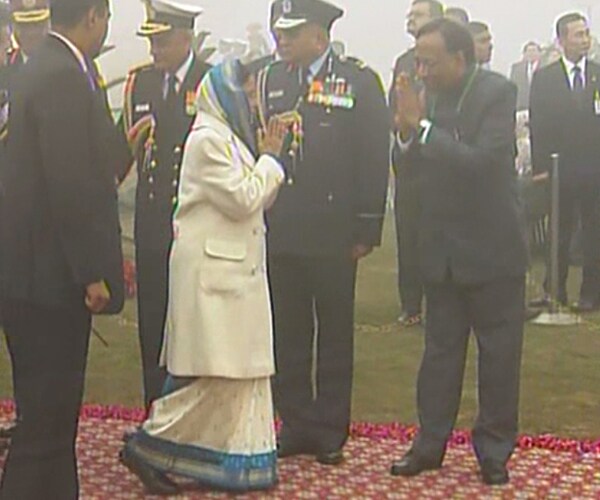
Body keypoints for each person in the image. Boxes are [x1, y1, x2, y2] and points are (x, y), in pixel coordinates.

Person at [120, 59, 287, 496]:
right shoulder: (207, 140)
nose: (253, 103)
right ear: (227, 94)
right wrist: (270, 159)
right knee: (217, 374)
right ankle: (148, 444)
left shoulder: (229, 138)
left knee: (235, 373)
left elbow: (252, 198)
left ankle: (224, 459)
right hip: (214, 277)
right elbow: (245, 197)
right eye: (247, 94)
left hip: (233, 273)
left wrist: (263, 162)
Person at [390, 19, 528, 485]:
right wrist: (406, 135)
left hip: (492, 252)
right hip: (441, 253)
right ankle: (429, 445)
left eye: (430, 61)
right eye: (417, 61)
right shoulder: (423, 97)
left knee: (499, 357)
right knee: (439, 357)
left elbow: (483, 164)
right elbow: (409, 167)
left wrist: (421, 129)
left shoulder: (496, 93)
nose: (422, 70)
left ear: (460, 58)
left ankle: (493, 452)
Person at [0, 0, 125, 497]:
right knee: (46, 419)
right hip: (47, 281)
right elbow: (69, 185)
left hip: (30, 274)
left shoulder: (46, 68)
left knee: (50, 418)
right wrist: (92, 272)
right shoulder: (62, 76)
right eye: (107, 18)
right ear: (92, 15)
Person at [263, 0, 390, 465]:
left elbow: (374, 156)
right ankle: (296, 421)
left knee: (334, 333)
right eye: (281, 31)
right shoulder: (271, 80)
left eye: (292, 32)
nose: (283, 40)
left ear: (319, 35)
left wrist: (367, 227)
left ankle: (331, 427)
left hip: (335, 232)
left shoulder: (357, 80)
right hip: (283, 228)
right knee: (288, 332)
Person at [118, 0, 211, 410]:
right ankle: (154, 407)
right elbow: (122, 151)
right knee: (152, 321)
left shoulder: (210, 83)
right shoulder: (140, 84)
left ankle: (189, 412)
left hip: (194, 221)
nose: (156, 51)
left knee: (192, 324)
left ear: (186, 38)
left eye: (164, 41)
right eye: (152, 41)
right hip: (153, 223)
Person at [529, 13, 600, 312]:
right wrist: (541, 167)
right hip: (559, 170)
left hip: (594, 168)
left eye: (587, 34)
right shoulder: (546, 78)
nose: (584, 40)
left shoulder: (598, 73)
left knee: (594, 232)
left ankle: (591, 292)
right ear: (561, 40)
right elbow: (538, 125)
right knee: (559, 230)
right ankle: (554, 290)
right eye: (577, 34)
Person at [391, 0, 443, 328]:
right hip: (409, 162)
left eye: (419, 14)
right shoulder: (403, 62)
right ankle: (411, 305)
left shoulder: (452, 60)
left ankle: (440, 301)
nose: (411, 19)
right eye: (410, 15)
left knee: (438, 237)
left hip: (442, 160)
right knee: (408, 236)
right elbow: (395, 110)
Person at [7, 0, 50, 67]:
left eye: (37, 25)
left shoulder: (66, 64)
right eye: (23, 26)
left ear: (47, 26)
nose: (31, 33)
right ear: (13, 28)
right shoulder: (5, 67)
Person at [510, 41, 542, 111]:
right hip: (521, 108)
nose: (531, 54)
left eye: (533, 51)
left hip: (540, 106)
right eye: (528, 51)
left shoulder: (545, 67)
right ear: (524, 54)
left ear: (539, 53)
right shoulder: (516, 68)